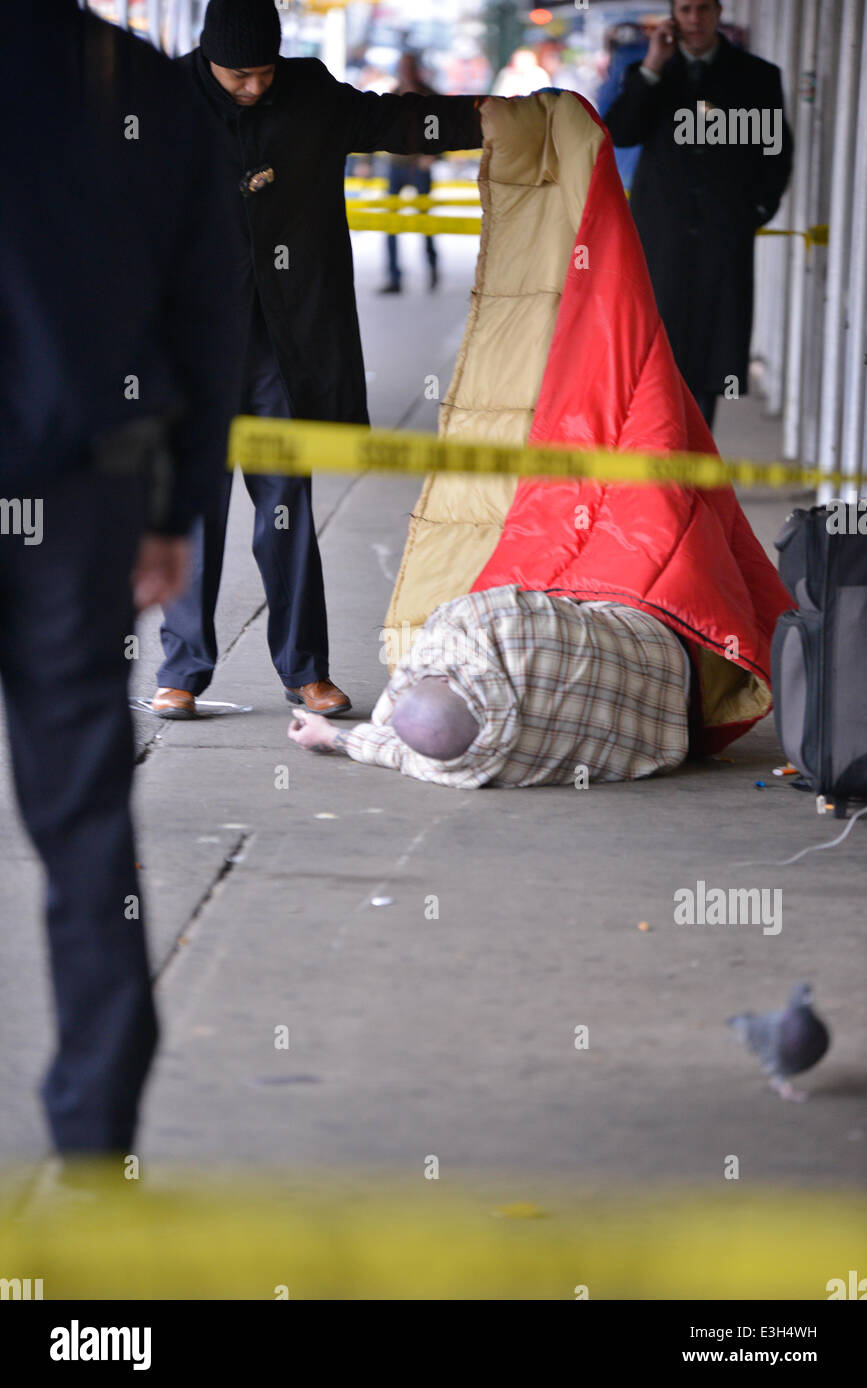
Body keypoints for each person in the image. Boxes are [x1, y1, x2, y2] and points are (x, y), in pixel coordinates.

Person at [0, 2, 242, 1158]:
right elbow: (210, 321)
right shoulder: (141, 89)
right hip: (83, 505)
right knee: (86, 816)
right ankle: (94, 1133)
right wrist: (175, 510)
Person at [153, 0, 485, 720]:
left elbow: (394, 121)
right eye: (239, 76)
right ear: (208, 57)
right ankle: (182, 670)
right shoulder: (161, 104)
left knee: (287, 506)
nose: (254, 87)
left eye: (265, 72)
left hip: (282, 342)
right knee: (195, 511)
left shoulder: (309, 93)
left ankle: (306, 670)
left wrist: (493, 117)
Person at [288, 588, 692, 789]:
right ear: (445, 680)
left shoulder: (474, 768)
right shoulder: (488, 620)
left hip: (679, 726)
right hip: (658, 635)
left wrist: (330, 736)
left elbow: (396, 752)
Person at [603, 0, 793, 429]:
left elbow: (775, 151)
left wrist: (756, 209)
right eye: (685, 9)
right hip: (662, 232)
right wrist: (652, 64)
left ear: (718, 12)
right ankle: (656, 447)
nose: (694, 19)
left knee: (717, 346)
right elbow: (623, 132)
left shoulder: (756, 75)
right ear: (673, 15)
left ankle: (699, 451)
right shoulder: (650, 73)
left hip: (724, 232)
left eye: (703, 9)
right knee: (656, 343)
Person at [378, 53, 440, 296]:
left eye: (410, 67)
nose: (406, 71)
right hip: (396, 165)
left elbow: (444, 128)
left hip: (420, 166)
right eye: (402, 67)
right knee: (391, 223)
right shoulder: (392, 96)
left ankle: (432, 267)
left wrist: (433, 154)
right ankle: (394, 277)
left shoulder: (430, 95)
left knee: (426, 221)